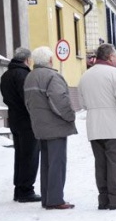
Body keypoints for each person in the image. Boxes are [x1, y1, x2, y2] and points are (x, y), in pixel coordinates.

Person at [78, 43, 116, 210]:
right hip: (115, 125)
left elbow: (82, 103)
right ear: (110, 57)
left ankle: (103, 199)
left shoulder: (85, 76)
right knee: (115, 163)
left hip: (94, 126)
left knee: (101, 163)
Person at [24, 46, 77, 210]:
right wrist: (70, 116)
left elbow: (28, 102)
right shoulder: (52, 76)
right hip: (55, 126)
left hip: (40, 125)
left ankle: (47, 198)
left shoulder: (30, 77)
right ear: (50, 60)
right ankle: (55, 199)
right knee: (57, 163)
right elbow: (59, 100)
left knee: (46, 163)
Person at [0, 47, 40, 203]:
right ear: (27, 60)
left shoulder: (6, 75)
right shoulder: (24, 75)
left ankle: (19, 189)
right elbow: (28, 99)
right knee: (30, 155)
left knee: (20, 155)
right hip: (26, 120)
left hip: (14, 118)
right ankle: (26, 190)